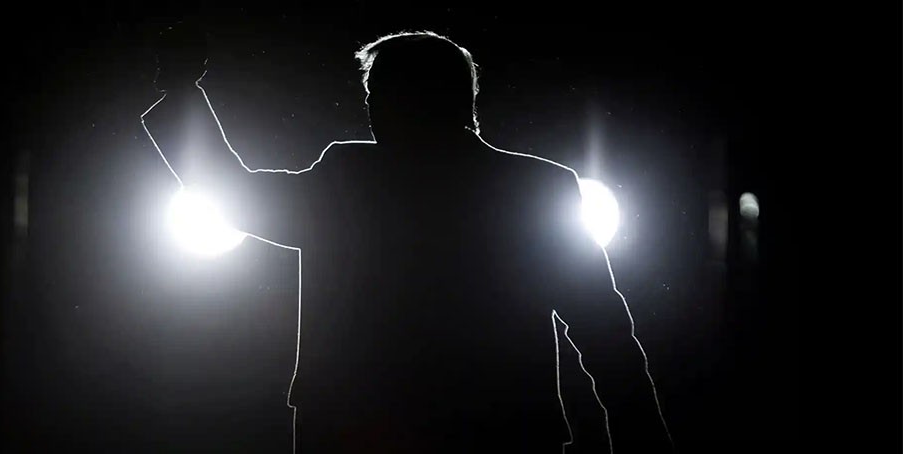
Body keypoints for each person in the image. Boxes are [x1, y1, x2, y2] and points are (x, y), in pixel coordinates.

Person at [144, 29, 673, 453]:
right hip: (501, 430)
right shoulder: (536, 186)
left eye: (379, 95)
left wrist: (182, 93)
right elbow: (605, 332)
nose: (372, 109)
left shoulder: (349, 180)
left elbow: (230, 191)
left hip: (353, 428)